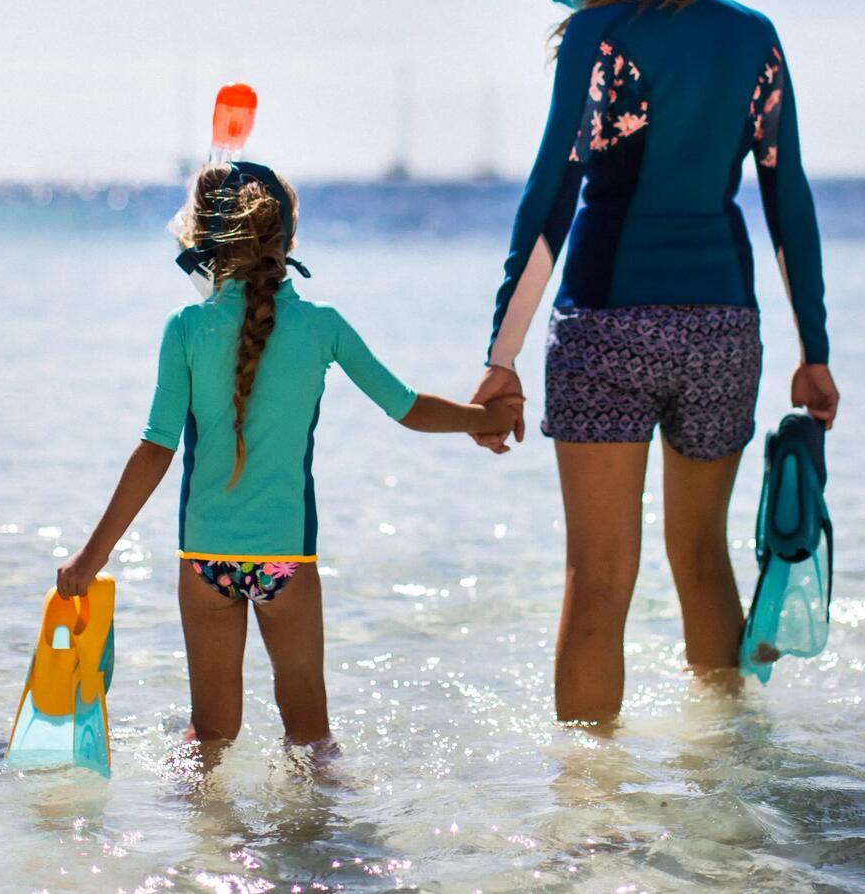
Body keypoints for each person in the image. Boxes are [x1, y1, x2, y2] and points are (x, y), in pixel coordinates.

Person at [474, 0, 839, 724]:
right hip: (722, 329)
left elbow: (552, 195)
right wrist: (813, 351)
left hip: (606, 322)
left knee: (597, 579)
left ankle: (588, 822)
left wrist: (501, 356)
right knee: (704, 562)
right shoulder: (753, 35)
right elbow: (788, 200)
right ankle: (728, 788)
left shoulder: (600, 37)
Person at [57, 161, 521, 757]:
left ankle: (199, 848)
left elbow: (155, 449)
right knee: (310, 740)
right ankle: (317, 843)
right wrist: (480, 420)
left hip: (206, 560)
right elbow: (404, 407)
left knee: (211, 739)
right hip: (285, 561)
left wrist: (90, 558)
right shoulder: (320, 326)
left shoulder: (186, 329)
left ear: (202, 238)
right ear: (288, 239)